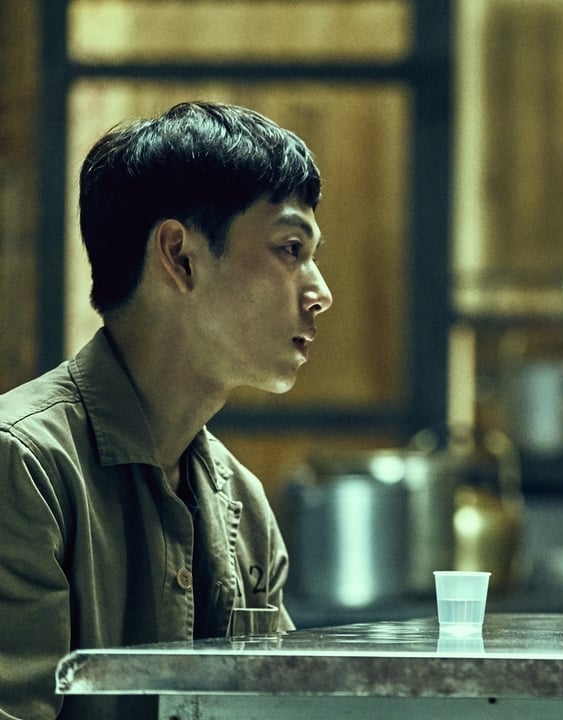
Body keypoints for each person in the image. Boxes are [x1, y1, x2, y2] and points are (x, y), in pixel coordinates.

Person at [0, 101, 332, 719]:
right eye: (290, 248)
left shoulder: (244, 505)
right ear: (179, 257)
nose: (320, 292)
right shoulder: (23, 466)